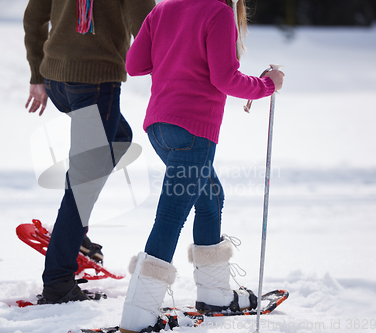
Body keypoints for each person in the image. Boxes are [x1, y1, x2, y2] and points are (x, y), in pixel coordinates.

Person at [119, 0, 285, 331]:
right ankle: (137, 317)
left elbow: (135, 64)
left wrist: (177, 57)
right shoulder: (218, 11)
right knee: (171, 216)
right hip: (193, 132)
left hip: (159, 128)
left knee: (210, 198)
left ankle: (214, 294)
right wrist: (268, 85)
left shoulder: (164, 8)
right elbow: (225, 79)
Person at [23, 0, 155, 304]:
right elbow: (147, 25)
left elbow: (34, 17)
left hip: (59, 80)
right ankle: (58, 282)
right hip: (95, 82)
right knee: (82, 184)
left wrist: (36, 73)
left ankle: (74, 234)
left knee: (119, 139)